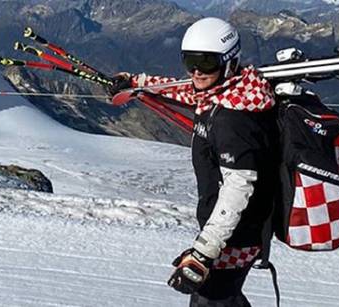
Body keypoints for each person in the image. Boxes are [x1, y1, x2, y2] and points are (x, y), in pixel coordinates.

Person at [109, 17, 280, 306]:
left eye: (207, 63)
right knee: (224, 299)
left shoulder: (233, 118)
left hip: (235, 237)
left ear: (229, 62)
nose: (197, 71)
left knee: (209, 300)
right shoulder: (227, 91)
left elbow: (239, 187)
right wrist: (138, 83)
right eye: (190, 62)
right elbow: (185, 89)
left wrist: (204, 252)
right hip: (232, 233)